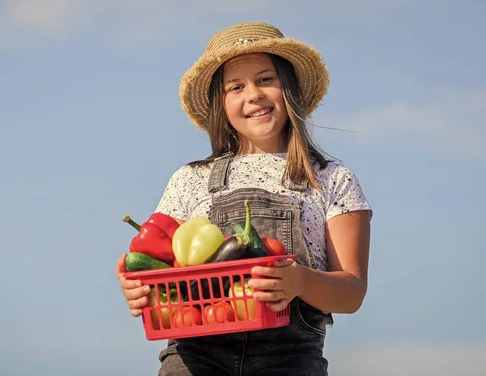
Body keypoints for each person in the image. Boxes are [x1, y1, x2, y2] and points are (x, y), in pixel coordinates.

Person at [115, 21, 372, 375]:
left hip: (290, 361)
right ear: (221, 105)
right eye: (236, 86)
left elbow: (352, 292)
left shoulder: (332, 178)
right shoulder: (191, 179)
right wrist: (138, 287)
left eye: (265, 79)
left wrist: (299, 281)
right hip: (195, 359)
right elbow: (158, 266)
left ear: (290, 88)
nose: (253, 94)